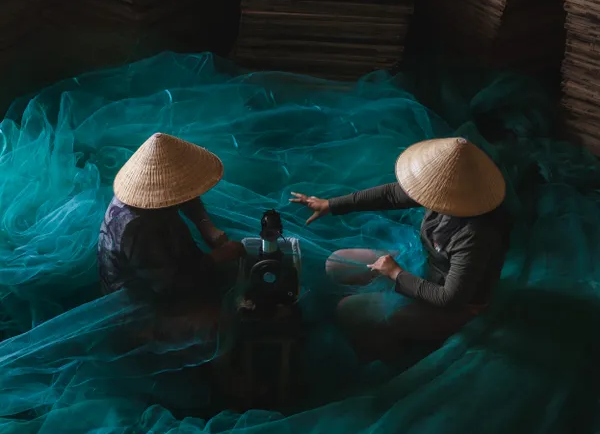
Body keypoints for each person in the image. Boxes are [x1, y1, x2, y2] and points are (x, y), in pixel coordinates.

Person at [291, 137, 511, 361]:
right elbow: (391, 194)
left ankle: (389, 355)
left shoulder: (476, 234)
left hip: (456, 305)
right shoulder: (443, 191)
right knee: (337, 263)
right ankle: (387, 316)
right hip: (427, 266)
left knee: (349, 310)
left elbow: (450, 298)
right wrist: (330, 205)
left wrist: (395, 273)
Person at [98, 132, 244, 341]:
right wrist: (216, 257)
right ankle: (220, 369)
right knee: (220, 321)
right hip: (142, 305)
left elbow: (187, 194)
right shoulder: (139, 229)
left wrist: (206, 226)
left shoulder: (148, 190)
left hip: (164, 267)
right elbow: (170, 285)